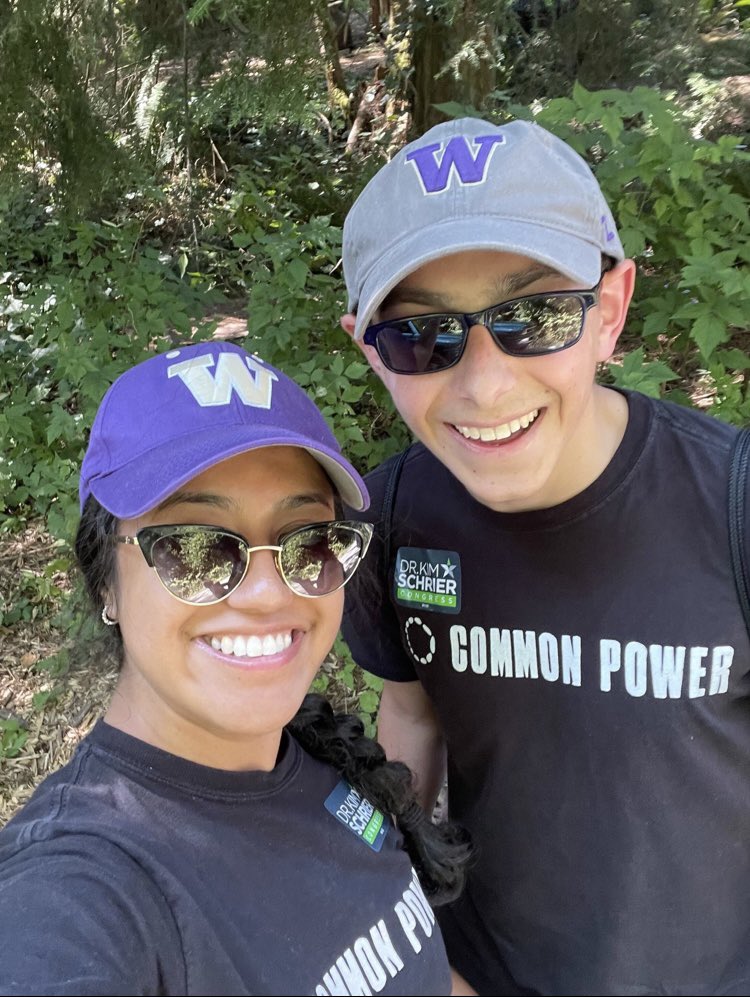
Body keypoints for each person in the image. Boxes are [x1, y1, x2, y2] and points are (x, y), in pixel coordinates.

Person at [338, 116, 750, 996]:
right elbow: (411, 723)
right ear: (370, 354)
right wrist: (410, 935)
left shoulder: (732, 508)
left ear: (609, 310)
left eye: (534, 316)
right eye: (423, 336)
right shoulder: (394, 519)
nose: (485, 384)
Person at [0, 340, 474, 996]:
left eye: (308, 540)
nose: (267, 593)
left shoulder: (324, 760)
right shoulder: (81, 889)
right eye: (193, 549)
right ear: (105, 582)